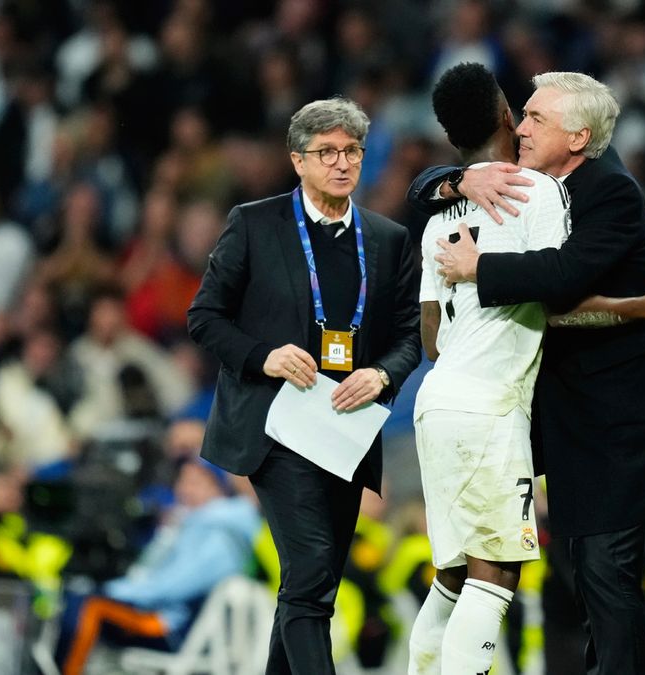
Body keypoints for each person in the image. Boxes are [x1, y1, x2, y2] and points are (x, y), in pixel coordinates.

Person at [408, 63, 645, 675]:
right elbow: (421, 195)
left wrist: (477, 269)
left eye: (537, 117)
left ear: (577, 138)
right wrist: (456, 179)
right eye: (522, 113)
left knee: (592, 572)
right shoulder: (515, 190)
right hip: (565, 423)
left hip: (622, 423)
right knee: (584, 578)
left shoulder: (607, 192)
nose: (520, 127)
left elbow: (562, 286)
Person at [187, 97, 421, 674]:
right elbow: (205, 317)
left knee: (312, 585)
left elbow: (411, 336)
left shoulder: (388, 239)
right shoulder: (255, 223)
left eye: (352, 152)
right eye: (327, 153)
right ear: (297, 160)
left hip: (344, 432)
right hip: (274, 427)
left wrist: (384, 372)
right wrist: (263, 356)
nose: (342, 164)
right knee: (312, 566)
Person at [55, 458, 259, 675]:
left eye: (197, 482)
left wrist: (116, 590)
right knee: (77, 599)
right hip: (158, 612)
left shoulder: (222, 536)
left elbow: (174, 586)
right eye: (183, 480)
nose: (185, 488)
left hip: (173, 626)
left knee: (89, 605)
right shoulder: (192, 523)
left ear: (220, 489)